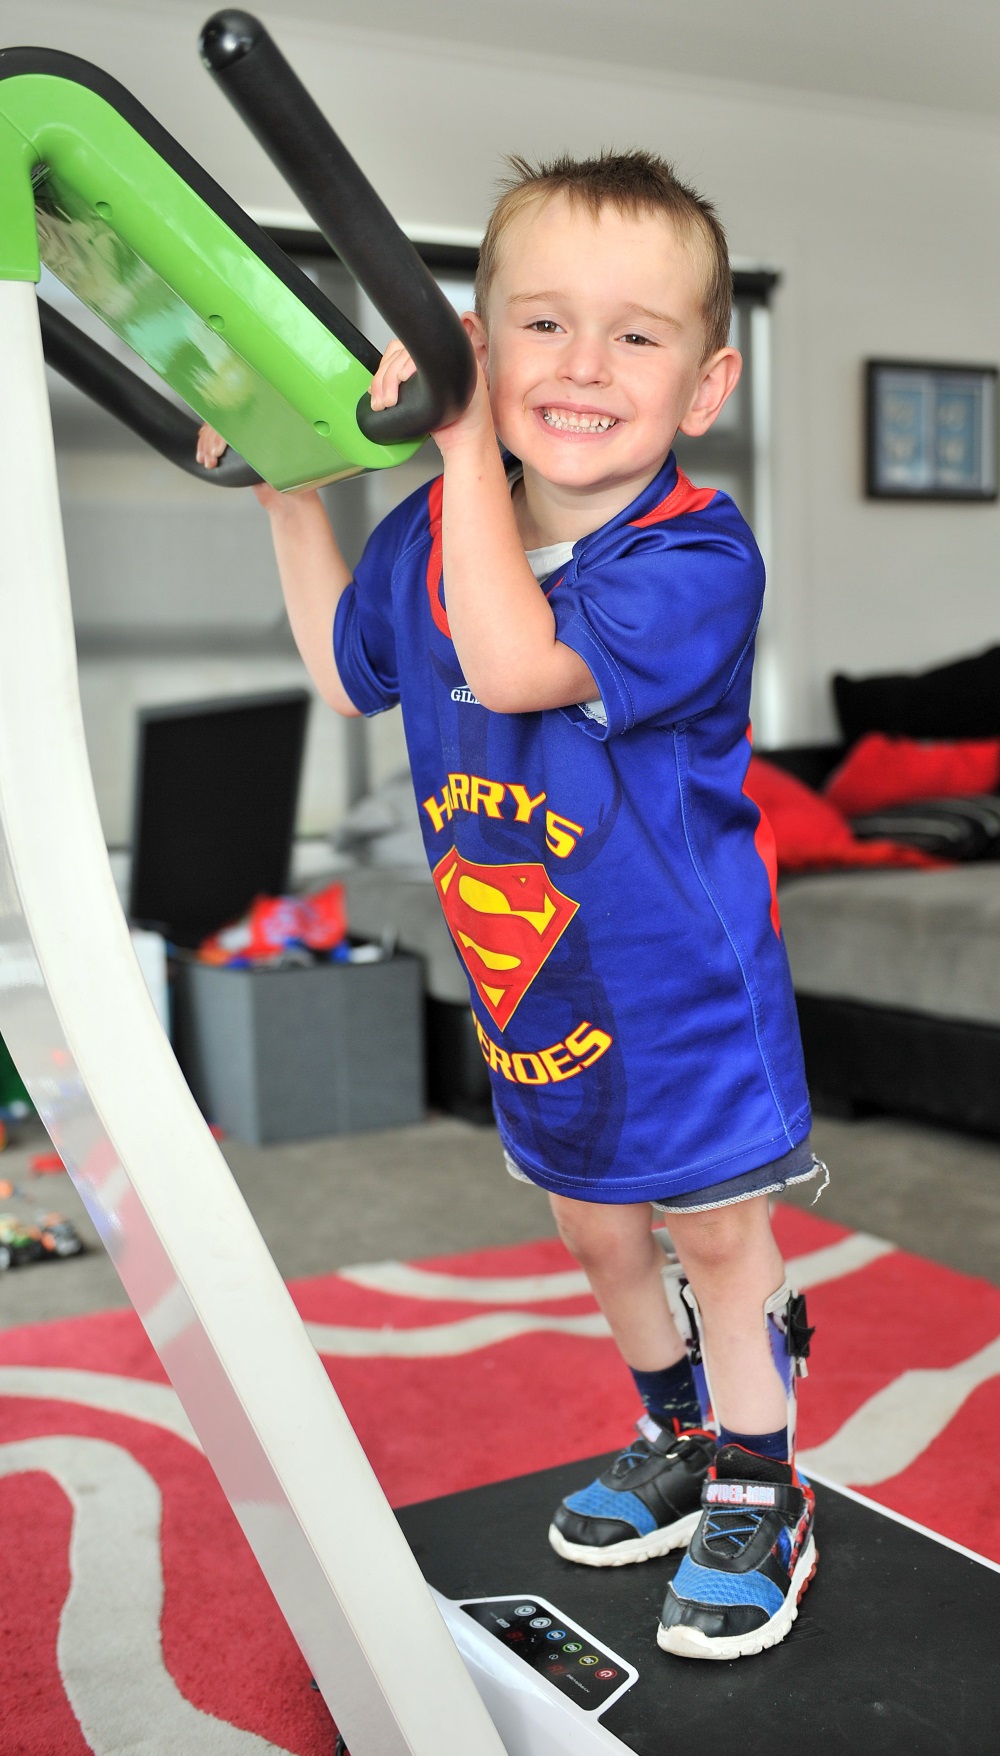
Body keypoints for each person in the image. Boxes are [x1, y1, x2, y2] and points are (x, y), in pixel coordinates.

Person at [197, 149, 822, 1661]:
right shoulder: (427, 530)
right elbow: (352, 668)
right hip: (532, 978)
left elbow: (517, 661)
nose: (583, 365)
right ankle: (672, 1428)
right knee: (596, 1229)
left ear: (706, 382)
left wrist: (459, 441)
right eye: (538, 324)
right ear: (479, 340)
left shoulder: (693, 552)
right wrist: (296, 500)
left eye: (637, 334)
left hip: (680, 985)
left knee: (718, 1241)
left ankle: (763, 1479)